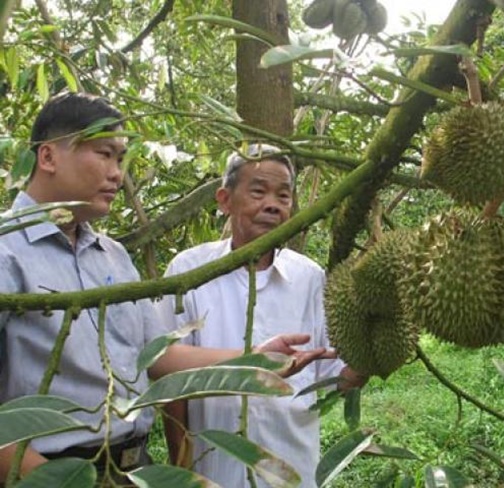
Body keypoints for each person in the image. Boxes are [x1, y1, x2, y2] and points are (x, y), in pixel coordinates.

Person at [0, 93, 330, 486]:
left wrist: (254, 357)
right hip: (49, 471)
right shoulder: (7, 252)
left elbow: (154, 355)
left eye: (121, 160)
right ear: (49, 157)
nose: (116, 174)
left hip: (132, 467)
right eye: (105, 154)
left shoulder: (113, 256)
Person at [159, 143, 367, 487]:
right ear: (225, 200)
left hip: (293, 470)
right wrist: (181, 470)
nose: (272, 205)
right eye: (258, 192)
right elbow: (169, 381)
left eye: (283, 196)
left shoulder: (310, 277)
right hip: (214, 473)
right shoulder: (188, 271)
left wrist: (370, 354)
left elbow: (336, 378)